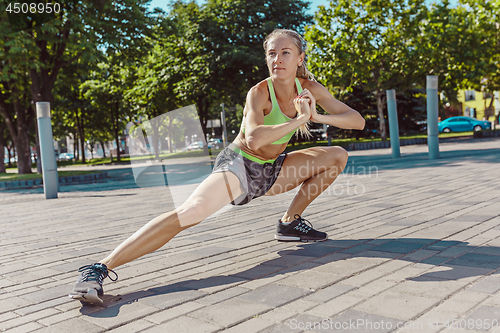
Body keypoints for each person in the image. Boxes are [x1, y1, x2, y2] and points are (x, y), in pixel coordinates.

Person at [69, 29, 365, 305]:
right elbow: (254, 137)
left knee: (337, 155)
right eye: (272, 54)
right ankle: (97, 270)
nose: (277, 59)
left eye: (286, 53)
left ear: (300, 58)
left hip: (272, 171)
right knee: (190, 212)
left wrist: (316, 115)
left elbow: (357, 121)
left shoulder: (310, 88)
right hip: (239, 166)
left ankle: (289, 223)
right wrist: (299, 121)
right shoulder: (259, 92)